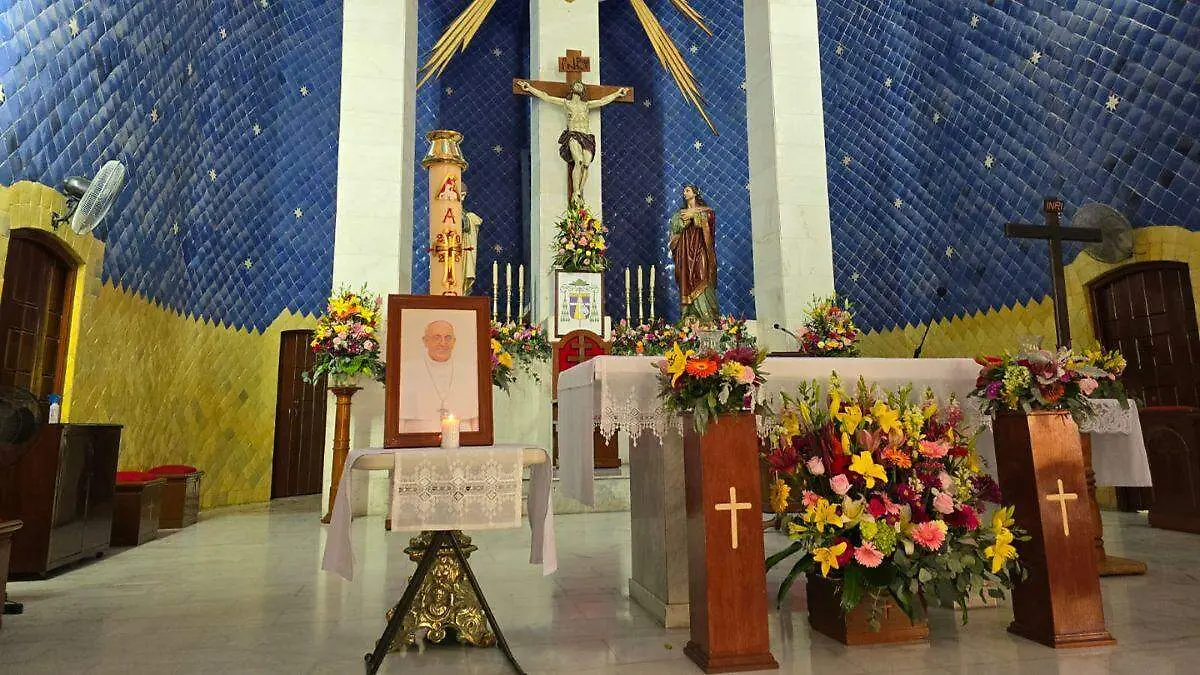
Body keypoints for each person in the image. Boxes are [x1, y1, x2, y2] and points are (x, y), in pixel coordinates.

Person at [516, 79, 629, 204]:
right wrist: (530, 88)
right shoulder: (567, 103)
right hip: (574, 134)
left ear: (583, 90)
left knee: (586, 164)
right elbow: (547, 97)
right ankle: (575, 192)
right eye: (577, 84)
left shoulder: (586, 105)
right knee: (578, 161)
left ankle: (579, 192)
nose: (579, 86)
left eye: (581, 85)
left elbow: (603, 101)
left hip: (587, 136)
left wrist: (617, 93)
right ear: (572, 88)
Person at [398, 319, 479, 433]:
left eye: (448, 338)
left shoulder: (469, 372)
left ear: (454, 342)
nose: (443, 343)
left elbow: (476, 419)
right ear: (425, 341)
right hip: (417, 440)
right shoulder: (406, 370)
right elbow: (399, 420)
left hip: (462, 441)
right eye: (437, 337)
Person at [669, 184, 719, 324]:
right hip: (685, 253)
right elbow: (674, 229)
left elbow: (710, 218)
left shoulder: (706, 211)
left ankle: (707, 318)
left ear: (695, 193)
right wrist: (685, 219)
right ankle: (689, 317)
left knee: (703, 276)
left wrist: (695, 215)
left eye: (687, 190)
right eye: (684, 191)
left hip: (700, 250)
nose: (684, 193)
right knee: (687, 279)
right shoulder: (680, 213)